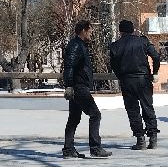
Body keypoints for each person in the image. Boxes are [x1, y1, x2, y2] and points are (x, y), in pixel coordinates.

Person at [109, 19, 162, 150]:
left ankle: (140, 140)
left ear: (120, 31)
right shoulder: (143, 41)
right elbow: (155, 56)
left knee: (133, 111)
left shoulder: (115, 46)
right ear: (132, 30)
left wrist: (121, 77)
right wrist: (154, 72)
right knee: (148, 108)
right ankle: (153, 138)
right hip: (144, 80)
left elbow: (113, 65)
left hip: (127, 81)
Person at [62, 19, 111, 158]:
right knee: (95, 114)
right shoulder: (76, 46)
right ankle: (95, 148)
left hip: (77, 85)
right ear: (83, 30)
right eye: (90, 30)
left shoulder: (79, 45)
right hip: (78, 87)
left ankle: (68, 149)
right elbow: (69, 66)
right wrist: (69, 85)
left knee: (74, 118)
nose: (91, 33)